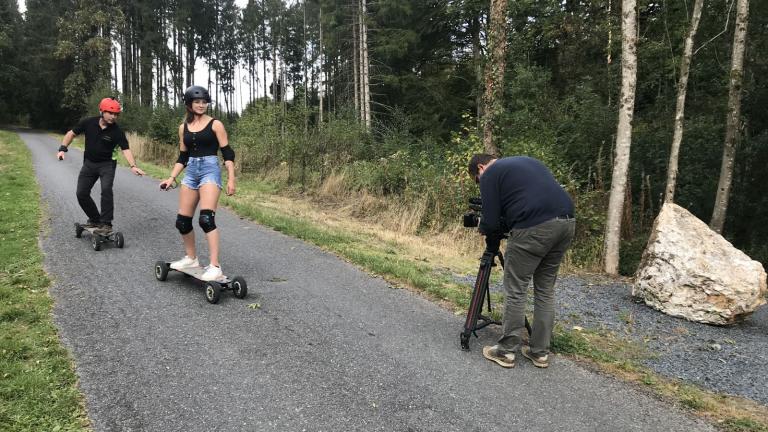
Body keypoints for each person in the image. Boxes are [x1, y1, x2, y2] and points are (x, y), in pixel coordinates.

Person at [468, 153, 575, 369]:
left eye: (477, 180)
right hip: (567, 223)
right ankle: (540, 352)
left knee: (516, 288)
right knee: (545, 290)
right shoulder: (527, 162)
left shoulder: (490, 174)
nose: (481, 183)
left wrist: (483, 227)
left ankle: (506, 351)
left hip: (534, 227)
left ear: (481, 167)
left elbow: (490, 222)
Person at [159, 85, 236, 282]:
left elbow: (227, 152)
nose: (202, 105)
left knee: (206, 220)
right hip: (191, 171)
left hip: (210, 170)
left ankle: (215, 266)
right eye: (197, 102)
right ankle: (191, 259)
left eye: (204, 102)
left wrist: (231, 178)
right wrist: (171, 178)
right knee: (182, 221)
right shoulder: (182, 128)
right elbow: (183, 156)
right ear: (189, 104)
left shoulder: (215, 124)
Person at [57, 97, 145, 233]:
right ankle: (95, 219)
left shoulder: (117, 131)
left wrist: (133, 166)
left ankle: (106, 223)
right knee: (81, 193)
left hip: (107, 165)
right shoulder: (88, 122)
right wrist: (63, 148)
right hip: (89, 164)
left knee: (106, 190)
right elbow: (71, 133)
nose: (113, 117)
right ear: (101, 111)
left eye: (116, 114)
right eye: (110, 113)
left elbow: (125, 149)